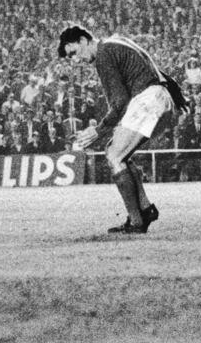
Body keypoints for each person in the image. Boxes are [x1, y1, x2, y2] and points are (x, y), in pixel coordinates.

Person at [58, 25, 188, 234]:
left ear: (83, 40)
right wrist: (175, 92)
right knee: (120, 154)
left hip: (148, 100)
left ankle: (137, 220)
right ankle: (145, 208)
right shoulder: (117, 41)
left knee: (114, 156)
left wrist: (98, 130)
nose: (75, 60)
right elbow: (151, 65)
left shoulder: (103, 55)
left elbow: (120, 101)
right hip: (161, 98)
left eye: (73, 52)